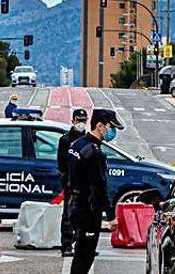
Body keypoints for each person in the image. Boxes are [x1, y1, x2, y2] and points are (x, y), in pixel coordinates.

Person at [66, 109, 124, 274]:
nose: (112, 132)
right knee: (85, 257)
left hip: (75, 205)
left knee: (80, 255)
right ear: (99, 126)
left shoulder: (77, 145)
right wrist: (111, 216)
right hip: (89, 211)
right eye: (110, 127)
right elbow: (98, 187)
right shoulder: (95, 153)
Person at [57, 108, 89, 256]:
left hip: (85, 182)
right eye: (78, 120)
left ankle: (82, 245)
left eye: (83, 121)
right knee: (69, 214)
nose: (81, 123)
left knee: (84, 215)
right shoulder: (65, 140)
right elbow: (62, 163)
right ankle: (67, 245)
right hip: (71, 182)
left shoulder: (87, 139)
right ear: (73, 120)